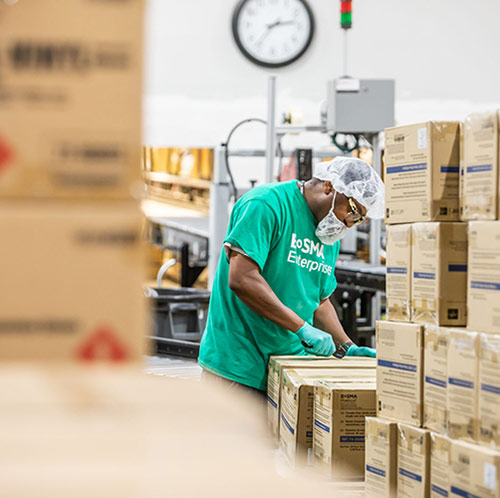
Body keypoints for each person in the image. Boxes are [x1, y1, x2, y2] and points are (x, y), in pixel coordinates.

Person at [198, 156, 385, 394]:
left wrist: (346, 346)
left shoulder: (328, 234)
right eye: (353, 211)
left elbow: (319, 300)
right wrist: (301, 328)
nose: (350, 224)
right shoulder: (266, 204)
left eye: (359, 219)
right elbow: (242, 279)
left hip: (287, 369)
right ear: (330, 186)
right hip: (238, 368)